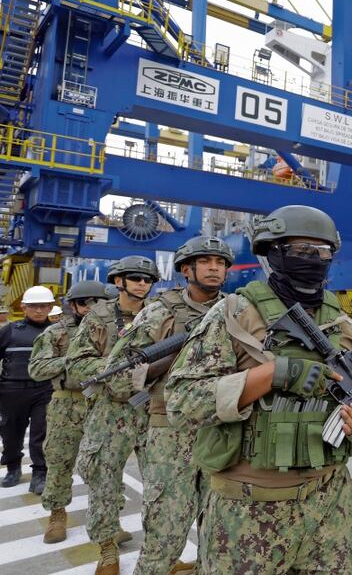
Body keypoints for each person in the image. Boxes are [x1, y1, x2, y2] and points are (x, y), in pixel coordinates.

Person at [166, 205, 352, 573]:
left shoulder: (344, 327)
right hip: (248, 510)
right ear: (273, 252)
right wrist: (270, 375)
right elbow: (181, 403)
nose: (314, 259)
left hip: (330, 504)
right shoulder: (235, 314)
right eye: (301, 250)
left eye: (322, 252)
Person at [100, 237, 232, 575]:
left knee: (220, 528)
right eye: (206, 262)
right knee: (165, 529)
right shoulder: (160, 311)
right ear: (187, 270)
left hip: (224, 427)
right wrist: (167, 362)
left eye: (220, 262)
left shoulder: (237, 309)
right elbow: (117, 374)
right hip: (172, 432)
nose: (215, 267)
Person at [66, 256, 159, 575]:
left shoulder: (160, 315)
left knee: (162, 485)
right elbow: (76, 364)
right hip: (110, 412)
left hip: (150, 409)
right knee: (104, 482)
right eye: (135, 277)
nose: (143, 283)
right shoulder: (99, 316)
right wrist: (112, 370)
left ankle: (161, 552)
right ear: (119, 281)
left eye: (148, 279)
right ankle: (107, 548)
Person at [28, 280, 110, 543]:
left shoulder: (112, 331)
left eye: (97, 303)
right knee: (60, 461)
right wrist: (73, 362)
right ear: (73, 305)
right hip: (67, 404)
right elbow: (37, 369)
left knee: (105, 464)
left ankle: (107, 520)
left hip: (103, 403)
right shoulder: (56, 333)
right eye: (85, 303)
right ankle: (57, 514)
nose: (91, 308)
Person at [0, 286, 56, 492]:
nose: (39, 310)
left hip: (44, 391)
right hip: (11, 391)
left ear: (50, 307)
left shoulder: (56, 333)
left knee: (41, 434)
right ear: (23, 307)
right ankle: (13, 468)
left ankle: (39, 474)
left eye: (43, 306)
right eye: (33, 306)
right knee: (11, 433)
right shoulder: (10, 331)